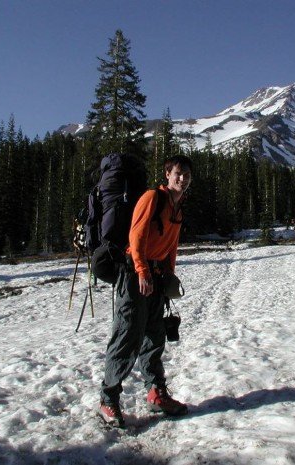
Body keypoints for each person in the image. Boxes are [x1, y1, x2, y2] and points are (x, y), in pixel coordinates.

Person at [98, 155, 192, 428]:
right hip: (134, 275)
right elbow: (136, 236)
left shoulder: (178, 207)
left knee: (155, 336)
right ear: (167, 174)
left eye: (186, 174)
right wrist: (141, 271)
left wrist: (168, 276)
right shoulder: (153, 198)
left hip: (156, 277)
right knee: (127, 337)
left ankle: (156, 393)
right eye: (178, 173)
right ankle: (108, 399)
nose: (182, 178)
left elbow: (171, 246)